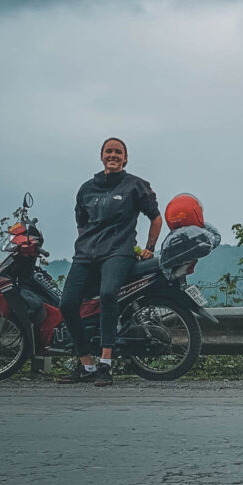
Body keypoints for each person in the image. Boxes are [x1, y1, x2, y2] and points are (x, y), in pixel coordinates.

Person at [56, 138, 162, 386]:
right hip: (85, 255)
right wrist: (88, 243)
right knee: (68, 303)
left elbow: (156, 218)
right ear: (101, 156)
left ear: (125, 159)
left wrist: (149, 248)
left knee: (108, 294)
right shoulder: (86, 189)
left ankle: (106, 364)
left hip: (118, 252)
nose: (113, 155)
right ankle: (86, 365)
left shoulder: (135, 185)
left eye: (118, 152)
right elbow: (82, 224)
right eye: (109, 151)